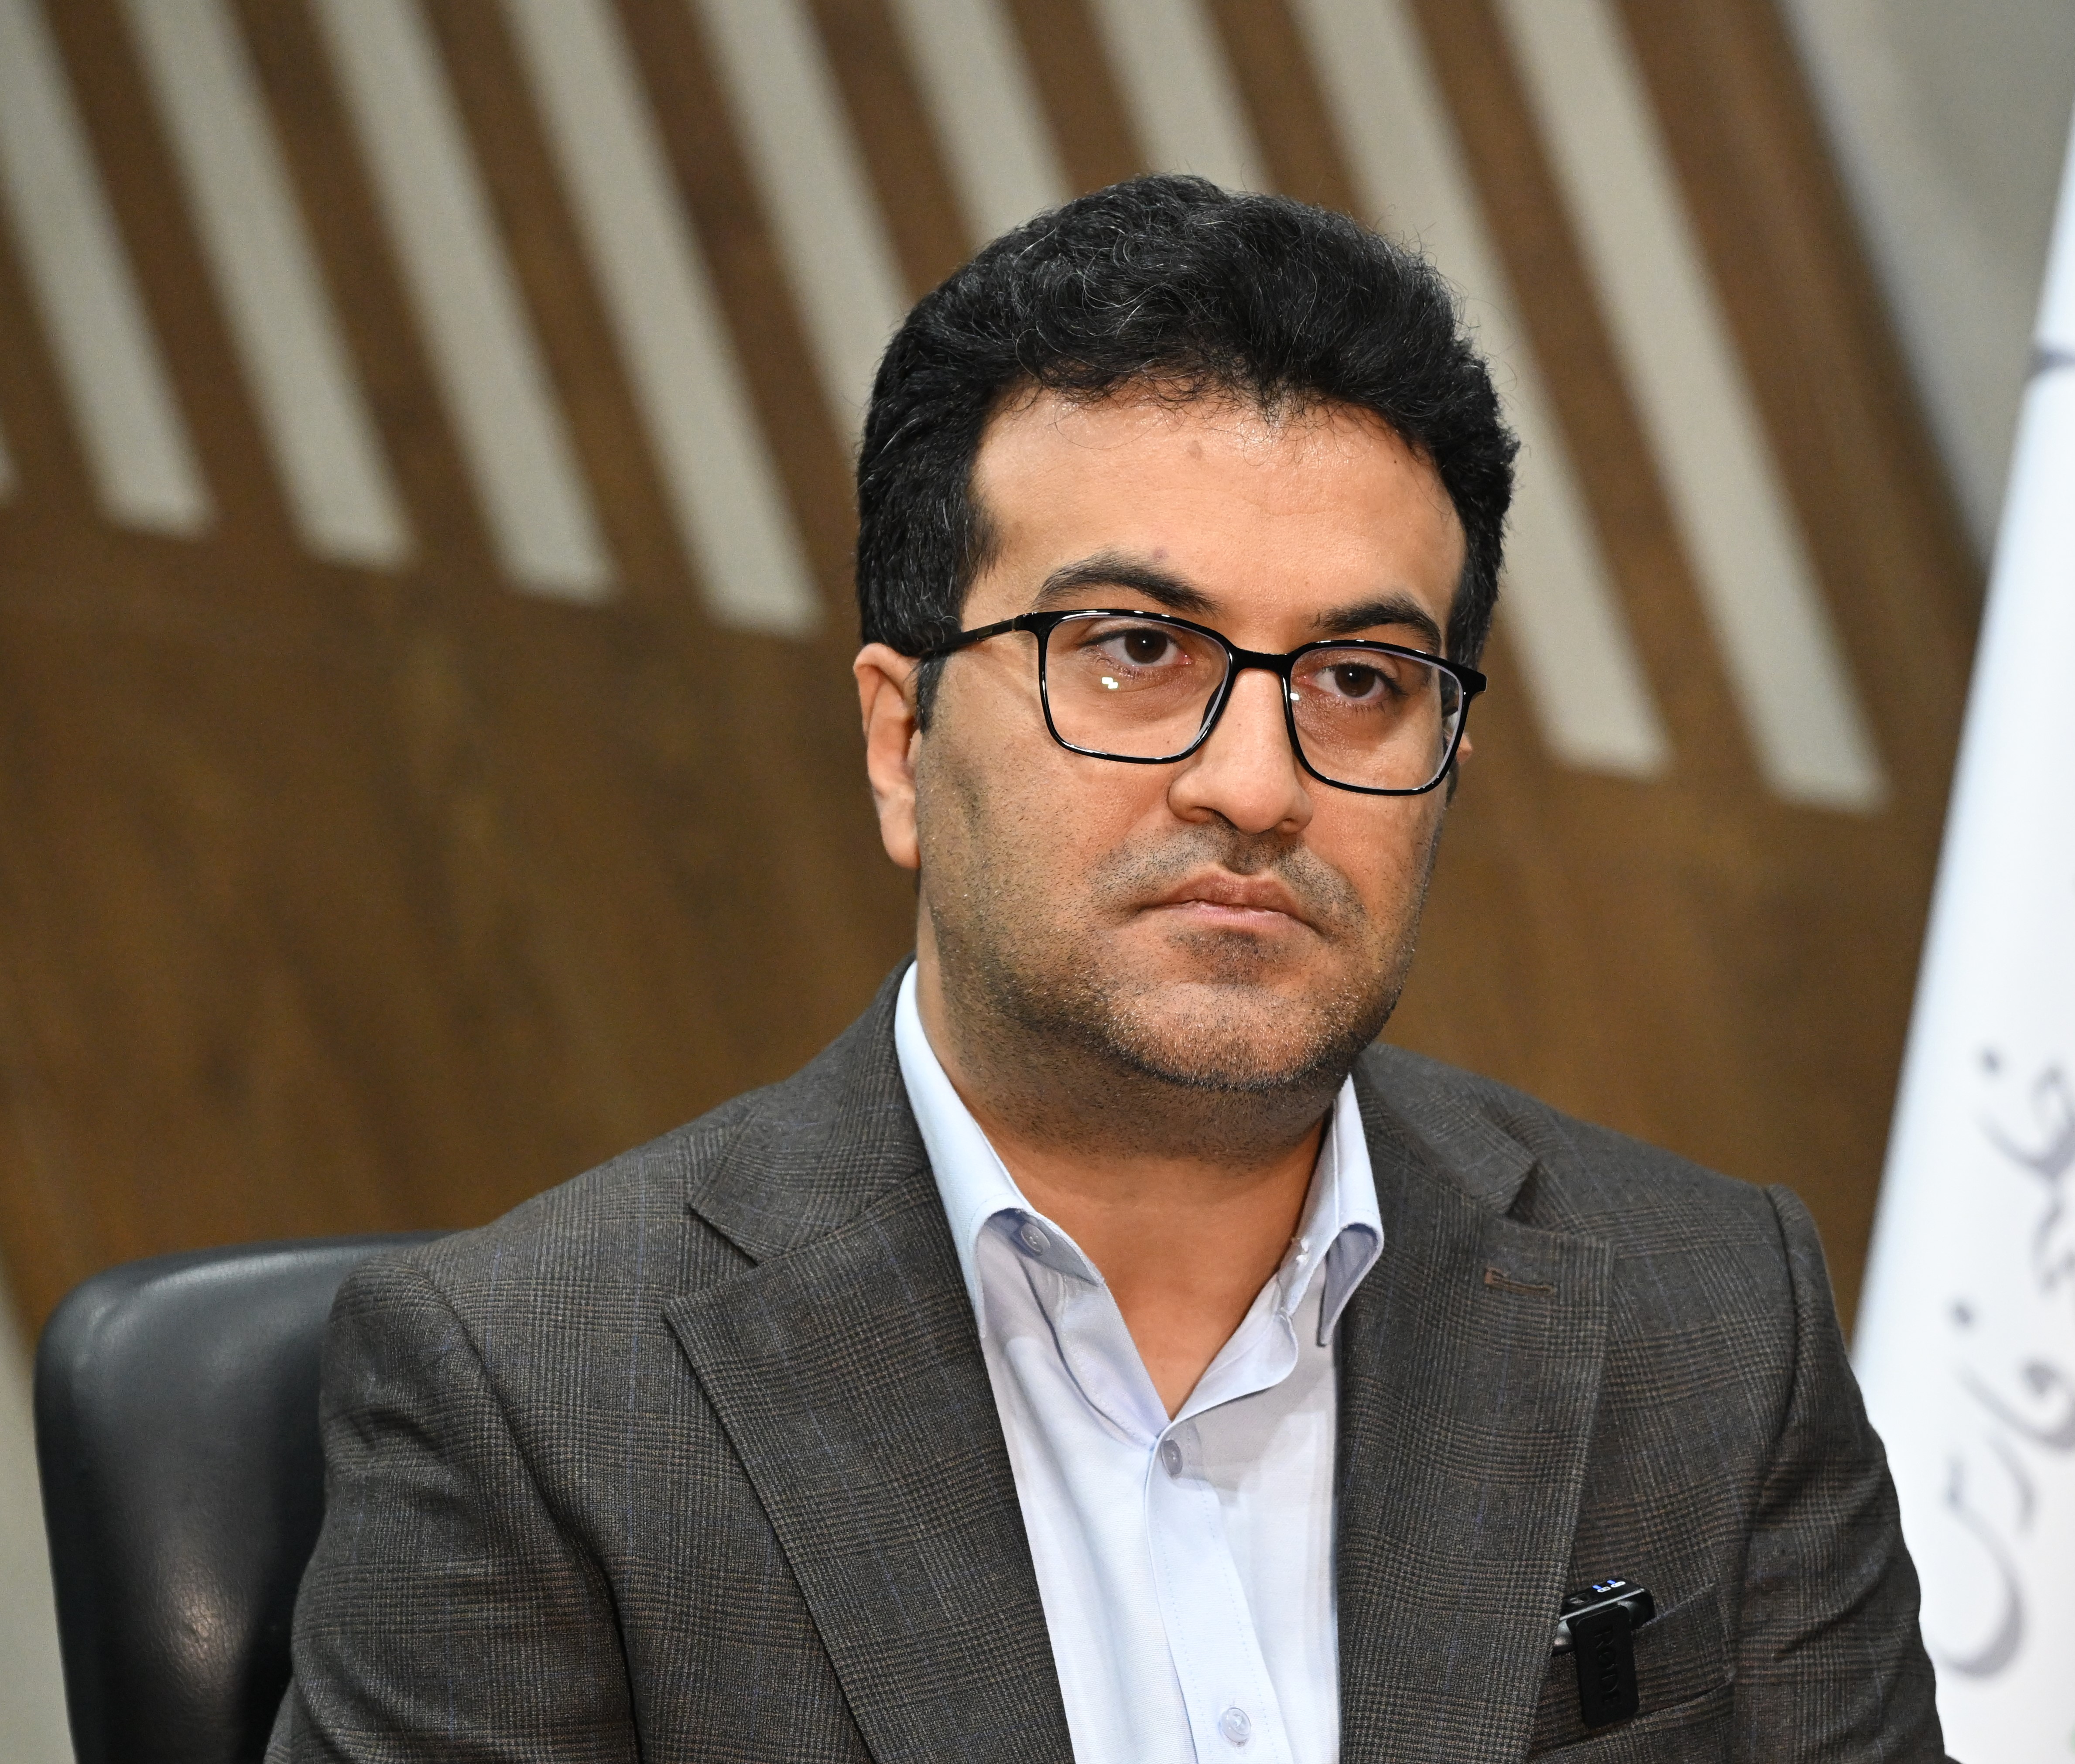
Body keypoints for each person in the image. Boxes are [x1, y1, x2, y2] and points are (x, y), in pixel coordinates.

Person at [271, 175, 1945, 1764]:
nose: (1257, 783)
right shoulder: (540, 1400)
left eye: (1361, 678)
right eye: (1138, 650)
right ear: (900, 741)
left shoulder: (1713, 1322)